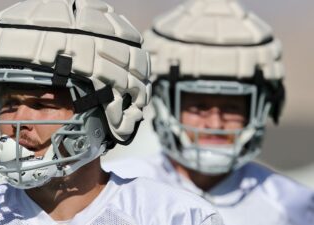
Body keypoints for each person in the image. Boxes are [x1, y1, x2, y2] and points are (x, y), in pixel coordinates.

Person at [0, 0, 224, 224]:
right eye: (9, 104)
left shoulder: (176, 218)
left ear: (108, 110)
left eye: (41, 104)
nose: (18, 121)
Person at [105, 0, 314, 224]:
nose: (215, 123)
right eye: (199, 106)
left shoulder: (292, 205)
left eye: (231, 108)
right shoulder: (116, 191)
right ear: (165, 104)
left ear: (259, 110)